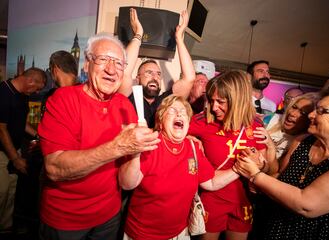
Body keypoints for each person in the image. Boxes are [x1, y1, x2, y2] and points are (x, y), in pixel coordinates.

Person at [37, 21, 160, 240]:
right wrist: (118, 146)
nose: (112, 70)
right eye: (103, 60)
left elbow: (127, 182)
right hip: (65, 221)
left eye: (120, 64)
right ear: (87, 65)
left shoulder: (125, 106)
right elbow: (54, 168)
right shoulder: (63, 100)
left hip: (109, 217)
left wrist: (136, 151)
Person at [234, 86, 329, 239]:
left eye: (321, 111)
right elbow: (280, 176)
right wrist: (260, 180)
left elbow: (306, 204)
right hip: (277, 227)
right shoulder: (302, 141)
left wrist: (256, 175)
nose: (311, 115)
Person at [119, 95, 241, 239]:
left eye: (183, 112)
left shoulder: (193, 147)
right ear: (160, 121)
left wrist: (239, 169)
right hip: (143, 235)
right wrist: (136, 153)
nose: (179, 113)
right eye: (172, 111)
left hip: (180, 234)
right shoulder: (150, 144)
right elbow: (127, 184)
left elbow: (211, 182)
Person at [188, 71, 270, 240]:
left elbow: (266, 165)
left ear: (238, 100)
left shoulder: (255, 125)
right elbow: (169, 134)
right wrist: (189, 140)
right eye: (211, 100)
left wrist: (260, 165)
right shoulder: (204, 121)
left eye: (221, 101)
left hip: (243, 200)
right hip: (212, 198)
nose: (214, 107)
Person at [125, 10, 196, 128]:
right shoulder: (128, 97)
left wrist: (179, 38)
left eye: (158, 74)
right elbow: (124, 72)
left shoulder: (165, 101)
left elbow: (189, 78)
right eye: (149, 73)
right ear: (137, 79)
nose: (155, 77)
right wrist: (138, 34)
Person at [0, 68, 46, 234]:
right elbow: (1, 129)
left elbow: (22, 124)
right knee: (2, 191)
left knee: (10, 192)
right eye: (38, 88)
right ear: (30, 81)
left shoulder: (23, 96)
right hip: (3, 153)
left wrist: (41, 136)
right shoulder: (4, 92)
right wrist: (15, 158)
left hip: (14, 149)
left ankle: (5, 228)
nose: (38, 92)